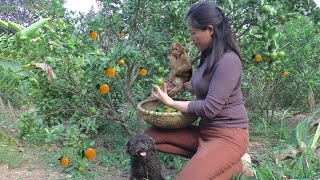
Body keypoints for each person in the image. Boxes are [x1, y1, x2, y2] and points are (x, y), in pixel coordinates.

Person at [143, 2, 253, 179]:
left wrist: (170, 103)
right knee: (147, 138)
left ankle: (240, 165)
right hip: (205, 131)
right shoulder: (208, 55)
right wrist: (179, 85)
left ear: (209, 29)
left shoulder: (228, 61)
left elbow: (210, 108)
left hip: (229, 136)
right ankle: (211, 160)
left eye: (193, 33)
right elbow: (202, 86)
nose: (191, 38)